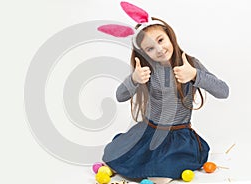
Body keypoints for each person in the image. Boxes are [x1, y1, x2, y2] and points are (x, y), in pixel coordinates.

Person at [98, 2, 229, 184]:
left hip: (178, 136)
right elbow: (120, 96)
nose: (159, 50)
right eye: (150, 48)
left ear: (170, 36)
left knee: (161, 175)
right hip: (149, 132)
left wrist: (195, 75)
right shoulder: (146, 70)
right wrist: (134, 79)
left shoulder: (190, 63)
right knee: (115, 155)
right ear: (144, 54)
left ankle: (163, 165)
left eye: (160, 40)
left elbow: (224, 91)